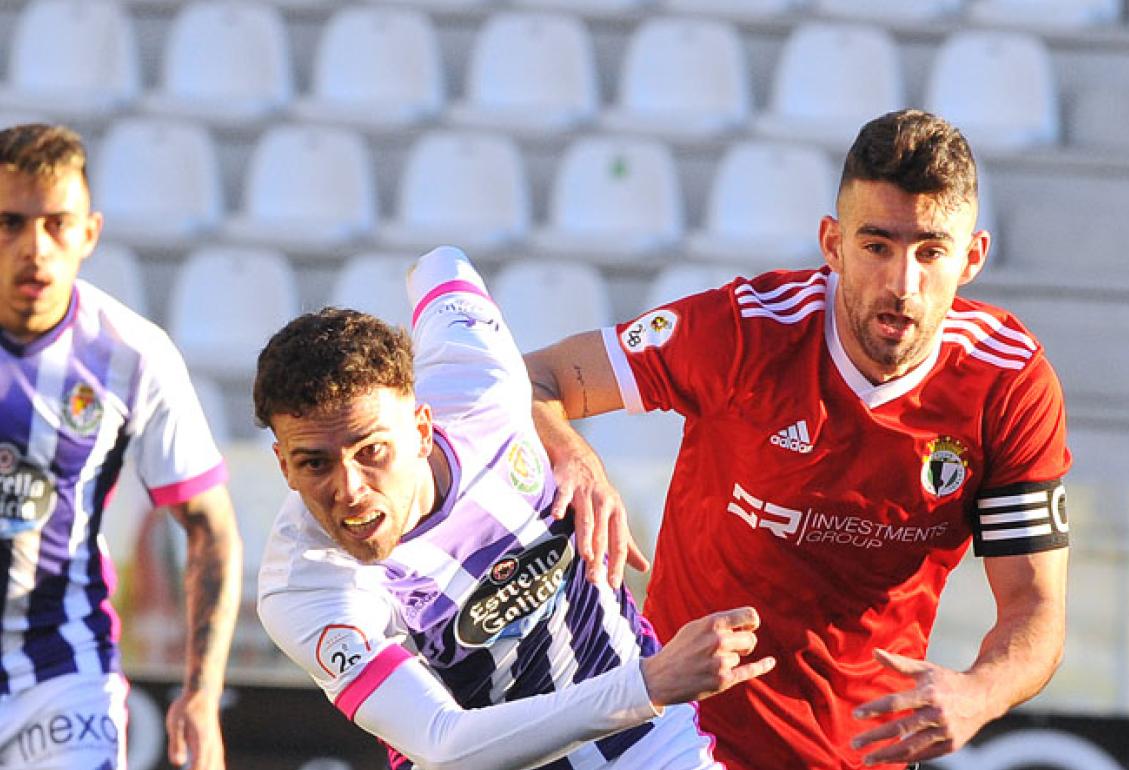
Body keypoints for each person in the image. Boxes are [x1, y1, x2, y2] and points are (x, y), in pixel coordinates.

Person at [525, 109, 1072, 770]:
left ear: (973, 257)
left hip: (860, 756)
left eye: (930, 251)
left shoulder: (1007, 382)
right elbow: (535, 376)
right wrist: (576, 455)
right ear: (832, 243)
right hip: (679, 743)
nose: (903, 284)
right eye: (877, 246)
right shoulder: (744, 331)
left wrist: (977, 694)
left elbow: (1035, 610)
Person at [253, 245, 775, 770]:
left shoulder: (481, 381)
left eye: (372, 452)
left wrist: (571, 446)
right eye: (315, 464)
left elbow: (440, 262)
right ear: (283, 464)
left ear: (420, 428)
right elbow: (444, 745)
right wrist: (650, 682)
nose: (350, 489)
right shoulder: (305, 585)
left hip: (647, 744)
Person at [0, 123, 242, 770]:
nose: (35, 248)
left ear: (89, 232)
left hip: (62, 671)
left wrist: (200, 693)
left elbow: (211, 529)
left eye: (56, 223)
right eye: (10, 223)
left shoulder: (132, 355)